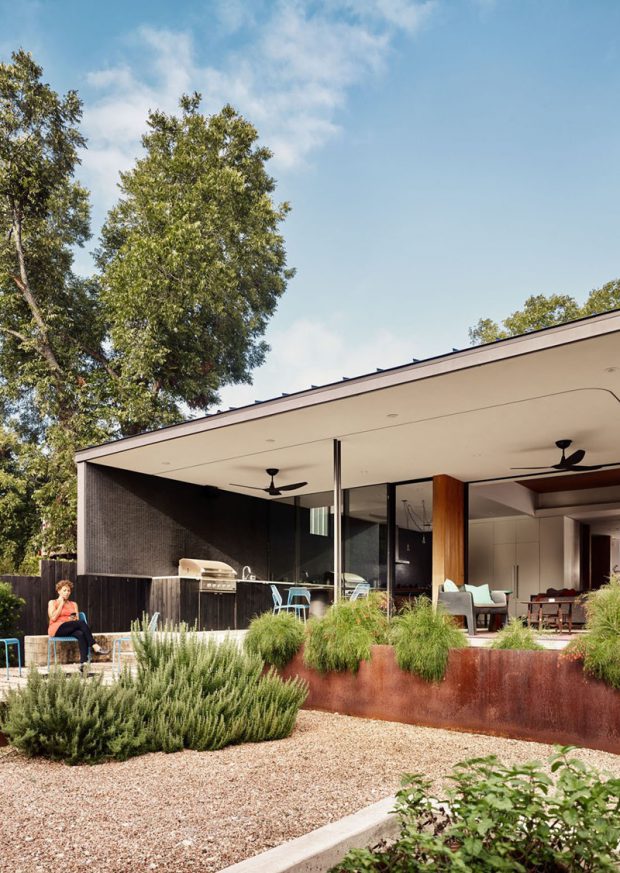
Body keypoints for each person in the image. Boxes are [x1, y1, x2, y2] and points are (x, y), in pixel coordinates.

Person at [47, 580, 109, 671]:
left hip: (69, 627)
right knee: (82, 623)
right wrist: (61, 604)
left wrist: (71, 619)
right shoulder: (53, 602)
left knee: (80, 634)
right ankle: (94, 645)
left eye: (68, 590)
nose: (67, 592)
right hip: (57, 629)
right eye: (64, 590)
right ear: (59, 591)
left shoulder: (73, 604)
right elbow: (53, 618)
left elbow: (76, 619)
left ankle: (83, 663)